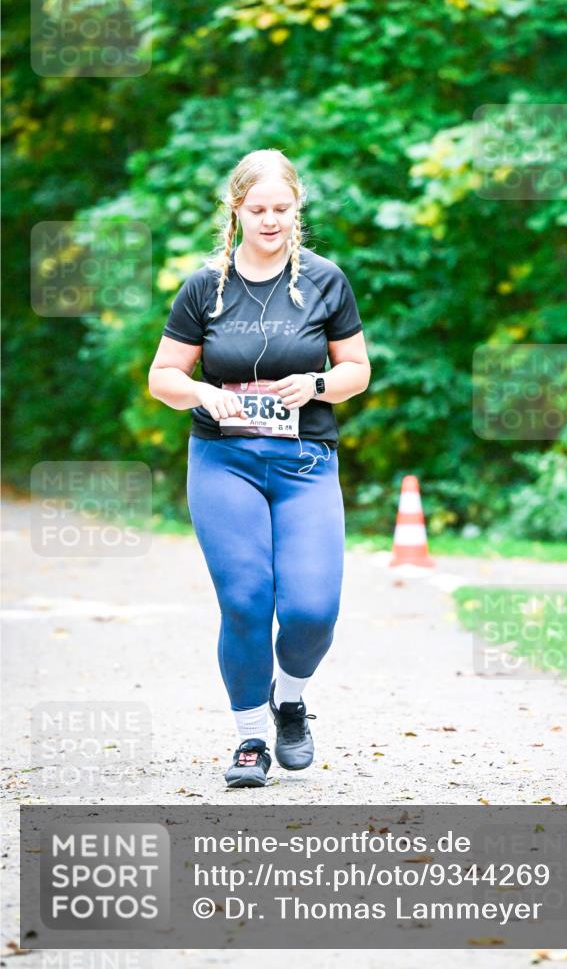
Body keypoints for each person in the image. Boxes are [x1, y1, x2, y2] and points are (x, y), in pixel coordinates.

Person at [148, 148, 371, 787]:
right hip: (224, 461)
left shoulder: (326, 280)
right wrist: (205, 394)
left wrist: (319, 385)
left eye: (282, 209)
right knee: (246, 600)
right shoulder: (205, 286)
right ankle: (250, 740)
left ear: (297, 209)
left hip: (305, 462)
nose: (271, 220)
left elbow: (356, 371)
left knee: (311, 609)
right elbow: (163, 376)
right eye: (258, 209)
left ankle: (291, 700)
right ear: (237, 211)